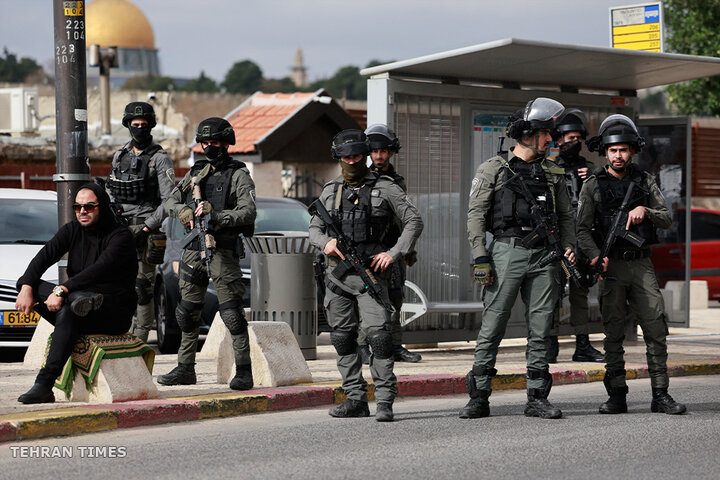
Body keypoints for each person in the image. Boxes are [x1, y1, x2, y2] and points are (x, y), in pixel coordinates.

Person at [462, 98, 575, 420]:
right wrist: (480, 258)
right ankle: (479, 396)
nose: (550, 139)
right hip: (506, 253)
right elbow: (475, 217)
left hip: (545, 256)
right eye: (545, 133)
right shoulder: (493, 169)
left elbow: (566, 216)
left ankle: (537, 397)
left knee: (541, 328)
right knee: (493, 324)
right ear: (526, 134)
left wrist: (567, 247)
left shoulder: (552, 172)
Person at [309, 129, 423, 422]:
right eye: (346, 157)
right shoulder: (331, 190)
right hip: (337, 279)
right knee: (342, 339)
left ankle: (384, 400)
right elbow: (314, 229)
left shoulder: (385, 187)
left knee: (380, 339)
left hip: (372, 278)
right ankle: (355, 398)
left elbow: (414, 220)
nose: (351, 161)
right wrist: (327, 243)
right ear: (339, 158)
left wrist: (394, 253)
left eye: (357, 156)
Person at [578, 114, 686, 415]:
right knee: (613, 332)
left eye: (623, 150)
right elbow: (582, 230)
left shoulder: (644, 180)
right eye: (613, 150)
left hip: (640, 265)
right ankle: (616, 395)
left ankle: (661, 394)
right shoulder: (593, 185)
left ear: (632, 151)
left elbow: (666, 217)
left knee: (655, 326)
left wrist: (644, 209)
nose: (618, 155)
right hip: (610, 266)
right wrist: (596, 256)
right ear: (605, 152)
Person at [15, 183, 138, 404]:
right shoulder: (72, 229)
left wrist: (62, 289)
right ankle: (76, 301)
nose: (82, 212)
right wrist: (26, 287)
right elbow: (44, 256)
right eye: (78, 207)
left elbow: (100, 268)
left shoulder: (121, 236)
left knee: (71, 309)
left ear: (103, 207)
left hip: (112, 309)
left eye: (89, 207)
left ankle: (44, 384)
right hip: (77, 300)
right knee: (30, 286)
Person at [158, 117, 257, 390]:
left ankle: (244, 371)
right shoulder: (196, 174)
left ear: (226, 143)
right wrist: (183, 211)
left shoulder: (238, 174)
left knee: (232, 314)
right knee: (186, 312)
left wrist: (218, 216)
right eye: (205, 143)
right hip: (193, 248)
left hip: (222, 249)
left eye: (214, 142)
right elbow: (170, 200)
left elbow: (248, 212)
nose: (209, 147)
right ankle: (185, 368)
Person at [106, 102, 176, 343]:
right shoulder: (120, 155)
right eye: (135, 125)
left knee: (142, 287)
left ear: (151, 126)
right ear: (128, 126)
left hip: (146, 229)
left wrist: (147, 227)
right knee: (118, 284)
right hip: (119, 227)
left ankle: (140, 340)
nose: (139, 130)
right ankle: (120, 334)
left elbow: (169, 202)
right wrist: (112, 208)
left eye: (144, 126)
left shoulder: (160, 159)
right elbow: (111, 187)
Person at [356, 123, 421, 364]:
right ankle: (362, 345)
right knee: (369, 298)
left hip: (393, 250)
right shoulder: (361, 179)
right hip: (370, 250)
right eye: (374, 152)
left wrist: (408, 250)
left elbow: (405, 220)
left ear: (391, 152)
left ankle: (394, 345)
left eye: (383, 151)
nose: (379, 156)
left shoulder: (396, 181)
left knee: (395, 297)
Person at [545, 109, 604, 363]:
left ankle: (583, 345)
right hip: (557, 242)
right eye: (569, 138)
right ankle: (549, 345)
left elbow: (603, 204)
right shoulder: (548, 167)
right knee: (551, 294)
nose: (574, 143)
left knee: (581, 292)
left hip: (583, 240)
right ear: (558, 140)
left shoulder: (591, 169)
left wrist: (594, 178)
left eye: (578, 138)